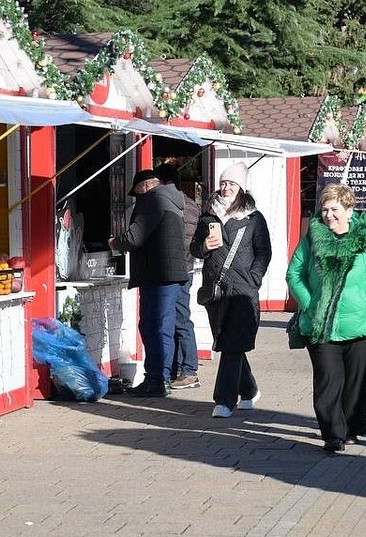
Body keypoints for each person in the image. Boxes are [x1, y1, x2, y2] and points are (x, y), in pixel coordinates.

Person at [286, 184, 366, 453]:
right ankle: (332, 433)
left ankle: (351, 427)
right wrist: (310, 304)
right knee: (329, 380)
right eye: (325, 209)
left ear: (349, 209)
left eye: (335, 209)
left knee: (355, 381)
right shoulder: (312, 238)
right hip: (321, 324)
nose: (329, 215)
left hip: (359, 321)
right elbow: (294, 274)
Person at [190, 163, 272, 418]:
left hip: (243, 291)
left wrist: (254, 278)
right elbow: (194, 248)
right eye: (224, 183)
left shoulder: (253, 218)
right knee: (228, 343)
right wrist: (203, 245)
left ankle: (224, 401)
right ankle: (248, 389)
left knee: (232, 343)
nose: (226, 188)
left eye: (232, 184)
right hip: (216, 290)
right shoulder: (208, 216)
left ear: (241, 189)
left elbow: (264, 252)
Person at [110, 169, 187, 397]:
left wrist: (116, 242)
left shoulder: (153, 199)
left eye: (137, 193)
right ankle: (159, 378)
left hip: (157, 273)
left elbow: (135, 237)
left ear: (144, 187)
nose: (137, 198)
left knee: (154, 326)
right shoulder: (173, 199)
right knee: (161, 326)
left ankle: (157, 380)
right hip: (168, 273)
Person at [155, 163, 201, 390]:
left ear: (163, 182)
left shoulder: (169, 204)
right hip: (188, 268)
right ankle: (182, 369)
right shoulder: (192, 205)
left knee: (179, 319)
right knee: (179, 318)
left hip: (176, 270)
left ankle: (188, 370)